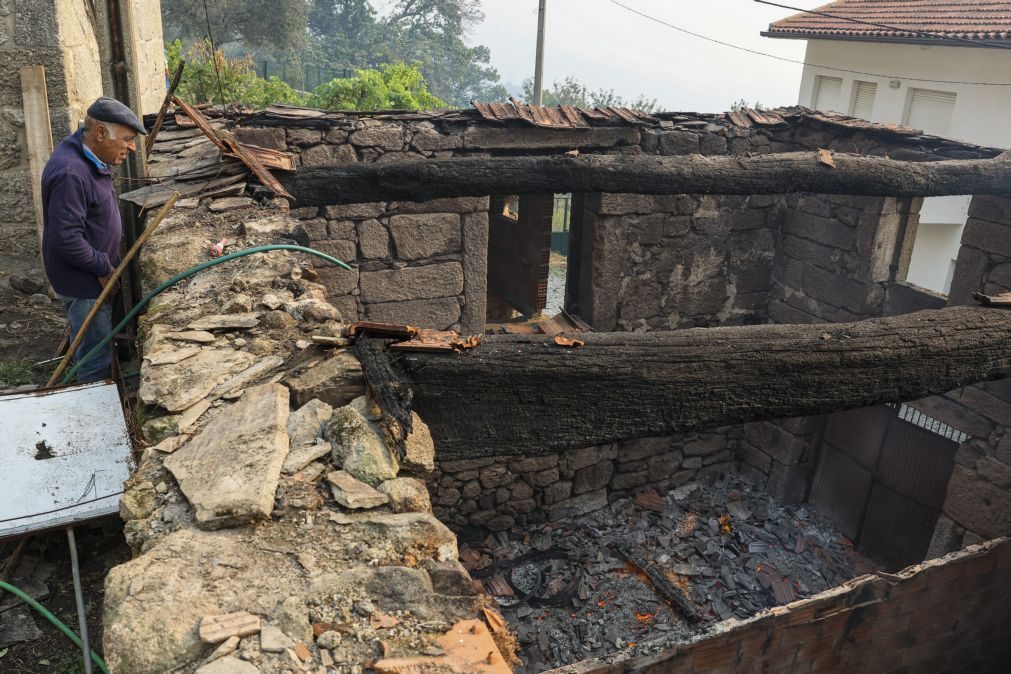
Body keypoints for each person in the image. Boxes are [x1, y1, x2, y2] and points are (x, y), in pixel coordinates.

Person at [41, 97, 145, 382]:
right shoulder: (71, 173)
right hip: (83, 280)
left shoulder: (90, 157)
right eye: (127, 139)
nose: (132, 147)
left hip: (90, 274)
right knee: (94, 355)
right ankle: (95, 408)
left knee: (95, 340)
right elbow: (65, 239)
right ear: (100, 133)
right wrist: (102, 266)